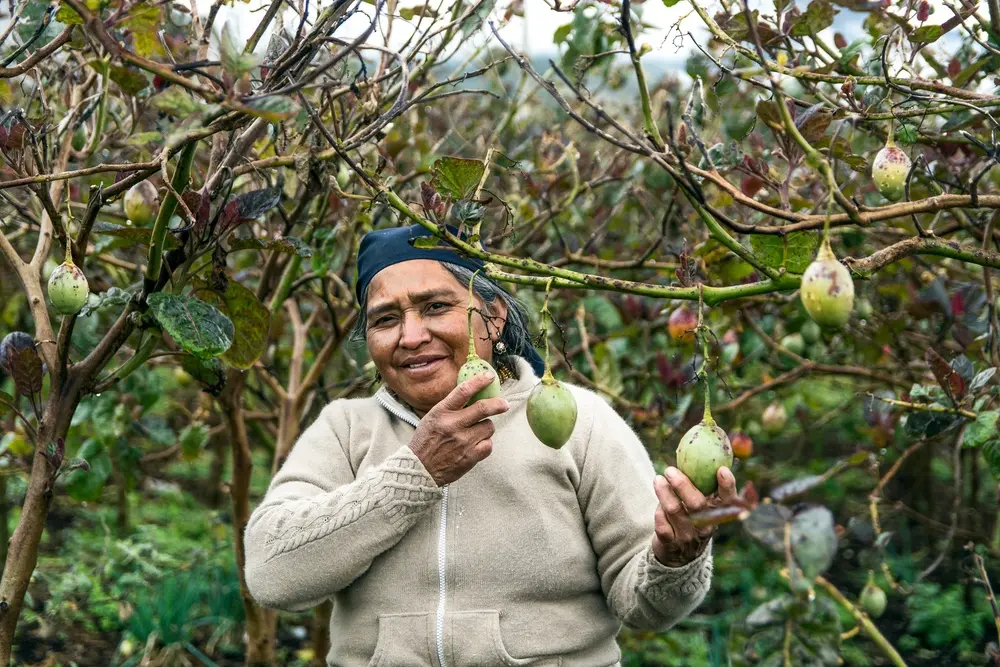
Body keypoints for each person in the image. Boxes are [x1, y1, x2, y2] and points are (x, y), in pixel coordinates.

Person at [244, 223, 738, 667]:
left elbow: (648, 608)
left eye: (436, 307)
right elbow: (272, 575)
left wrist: (676, 558)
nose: (411, 336)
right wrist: (416, 472)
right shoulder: (346, 429)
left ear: (495, 315)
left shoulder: (578, 423)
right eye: (386, 319)